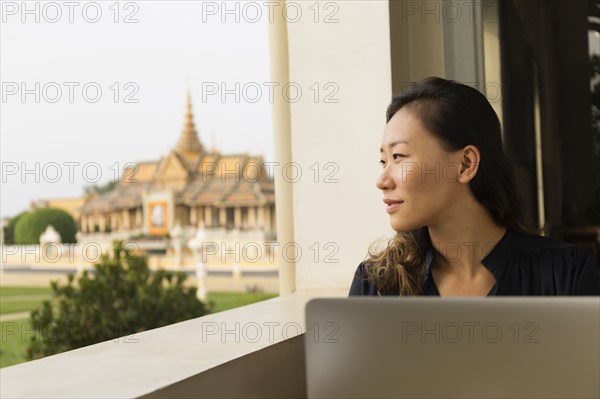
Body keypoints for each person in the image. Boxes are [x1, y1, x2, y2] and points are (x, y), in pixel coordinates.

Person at [349, 77, 600, 296]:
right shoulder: (377, 285)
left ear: (465, 164)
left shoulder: (565, 274)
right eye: (383, 161)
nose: (382, 181)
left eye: (399, 157)